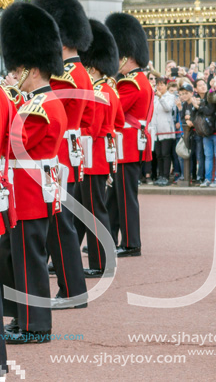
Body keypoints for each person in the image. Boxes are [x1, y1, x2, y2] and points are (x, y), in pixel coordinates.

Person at [0, 2, 67, 343]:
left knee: (30, 260)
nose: (14, 74)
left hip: (28, 190)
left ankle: (37, 326)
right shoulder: (34, 102)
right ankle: (23, 318)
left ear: (32, 69)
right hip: (25, 189)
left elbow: (14, 144)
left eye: (18, 69)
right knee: (20, 257)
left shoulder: (40, 106)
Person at [33, 0, 93, 309]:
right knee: (58, 221)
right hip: (65, 151)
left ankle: (72, 290)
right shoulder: (76, 72)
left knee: (59, 223)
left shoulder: (67, 76)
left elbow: (42, 106)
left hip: (55, 153)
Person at [105, 12, 154, 258]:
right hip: (128, 145)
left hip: (127, 145)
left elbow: (114, 109)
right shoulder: (137, 79)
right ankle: (109, 237)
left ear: (126, 57)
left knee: (126, 198)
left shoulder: (130, 83)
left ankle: (132, 243)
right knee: (115, 197)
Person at [79, 19, 122, 278]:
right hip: (99, 155)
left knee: (95, 211)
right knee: (93, 209)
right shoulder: (109, 90)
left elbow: (91, 130)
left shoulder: (97, 93)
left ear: (92, 67)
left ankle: (101, 262)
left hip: (93, 157)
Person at [151, 77, 177, 186]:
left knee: (166, 154)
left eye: (162, 85)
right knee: (158, 155)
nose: (159, 87)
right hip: (156, 131)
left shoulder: (170, 97)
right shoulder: (154, 98)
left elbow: (167, 108)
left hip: (166, 130)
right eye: (158, 85)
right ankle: (160, 175)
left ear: (166, 86)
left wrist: (161, 97)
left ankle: (166, 176)